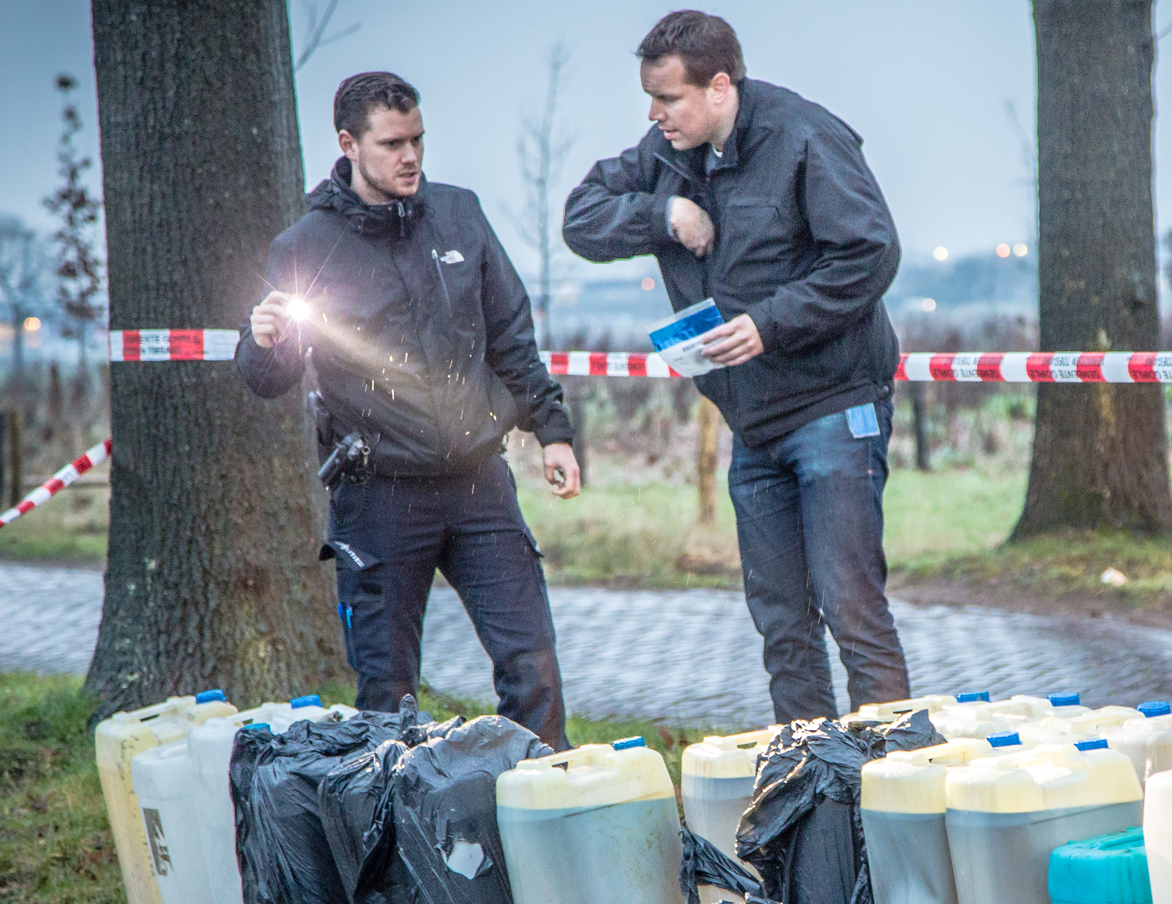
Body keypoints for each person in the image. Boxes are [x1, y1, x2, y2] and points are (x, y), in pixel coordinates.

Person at [563, 11, 910, 723]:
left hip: (832, 407)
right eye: (650, 100)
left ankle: (891, 786)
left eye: (669, 99)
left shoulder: (806, 137)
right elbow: (581, 216)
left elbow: (871, 253)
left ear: (720, 86)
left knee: (851, 608)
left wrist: (770, 323)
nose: (654, 116)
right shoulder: (667, 156)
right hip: (753, 428)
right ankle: (812, 786)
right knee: (782, 625)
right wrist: (665, 215)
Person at [237, 72, 578, 748]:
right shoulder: (306, 246)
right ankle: (391, 838)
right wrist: (264, 337)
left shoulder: (461, 214)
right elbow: (267, 376)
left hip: (481, 484)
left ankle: (542, 811)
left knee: (533, 664)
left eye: (418, 139)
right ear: (348, 144)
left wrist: (555, 432)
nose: (411, 156)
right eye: (392, 143)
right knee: (387, 693)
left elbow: (512, 338)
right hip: (379, 496)